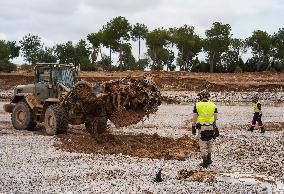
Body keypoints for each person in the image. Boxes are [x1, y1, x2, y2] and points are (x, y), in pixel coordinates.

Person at [192, 90, 219, 168]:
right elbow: (216, 117)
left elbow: (194, 118)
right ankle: (209, 160)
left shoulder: (197, 105)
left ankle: (205, 162)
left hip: (202, 127)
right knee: (210, 143)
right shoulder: (213, 105)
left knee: (203, 144)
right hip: (211, 126)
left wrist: (193, 127)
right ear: (208, 97)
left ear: (201, 97)